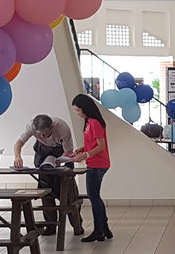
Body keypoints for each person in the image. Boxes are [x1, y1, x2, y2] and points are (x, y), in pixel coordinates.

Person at [12, 113, 83, 236]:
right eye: (38, 134)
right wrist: (17, 156)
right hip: (43, 154)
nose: (41, 136)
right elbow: (19, 142)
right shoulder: (31, 126)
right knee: (46, 192)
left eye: (44, 134)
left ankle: (77, 225)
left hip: (61, 154)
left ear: (51, 128)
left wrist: (58, 162)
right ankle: (50, 226)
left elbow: (68, 151)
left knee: (69, 193)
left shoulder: (62, 128)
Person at [68, 93, 113, 242]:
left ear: (86, 108)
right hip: (93, 162)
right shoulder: (88, 122)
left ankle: (99, 230)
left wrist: (86, 155)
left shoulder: (94, 122)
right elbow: (93, 142)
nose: (78, 114)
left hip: (98, 164)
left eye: (79, 111)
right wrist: (83, 148)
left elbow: (101, 146)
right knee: (95, 196)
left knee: (93, 197)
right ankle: (104, 228)